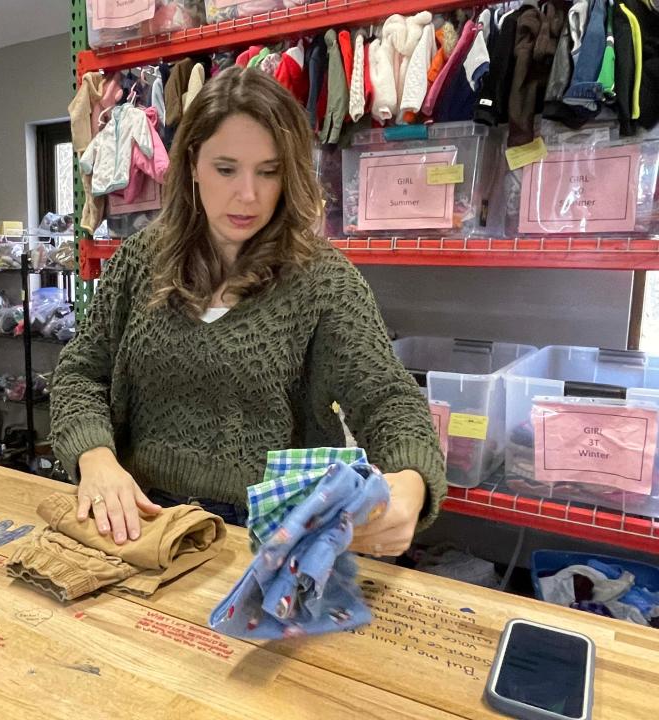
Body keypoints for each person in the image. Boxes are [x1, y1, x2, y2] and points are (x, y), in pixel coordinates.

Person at [51, 66, 445, 557]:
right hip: (138, 520)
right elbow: (80, 375)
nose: (248, 195)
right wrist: (95, 457)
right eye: (226, 168)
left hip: (273, 539)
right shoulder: (138, 261)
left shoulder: (324, 282)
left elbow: (390, 400)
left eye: (269, 171)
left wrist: (410, 482)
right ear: (192, 163)